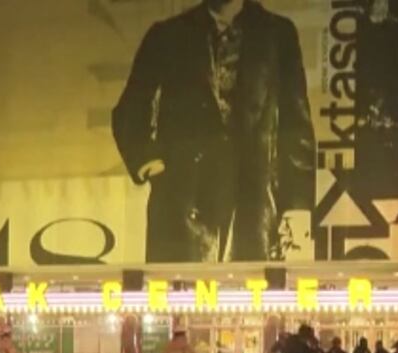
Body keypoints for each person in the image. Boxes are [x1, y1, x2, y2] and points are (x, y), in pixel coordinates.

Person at [112, 0, 315, 263]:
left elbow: (295, 126)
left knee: (250, 298)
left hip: (254, 206)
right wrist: (153, 165)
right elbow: (129, 111)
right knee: (181, 300)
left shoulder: (278, 35)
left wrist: (297, 209)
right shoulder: (167, 35)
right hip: (183, 212)